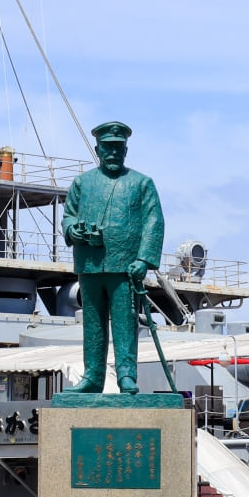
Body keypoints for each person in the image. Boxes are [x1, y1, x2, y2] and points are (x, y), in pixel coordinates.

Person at [61, 120, 164, 394]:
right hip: (90, 265)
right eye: (107, 147)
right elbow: (68, 215)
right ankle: (93, 376)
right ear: (97, 149)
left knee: (125, 323)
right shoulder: (82, 183)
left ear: (126, 150)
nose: (113, 153)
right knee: (92, 325)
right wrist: (73, 230)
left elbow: (153, 221)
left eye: (118, 148)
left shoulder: (141, 183)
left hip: (125, 267)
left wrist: (143, 259)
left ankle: (127, 376)